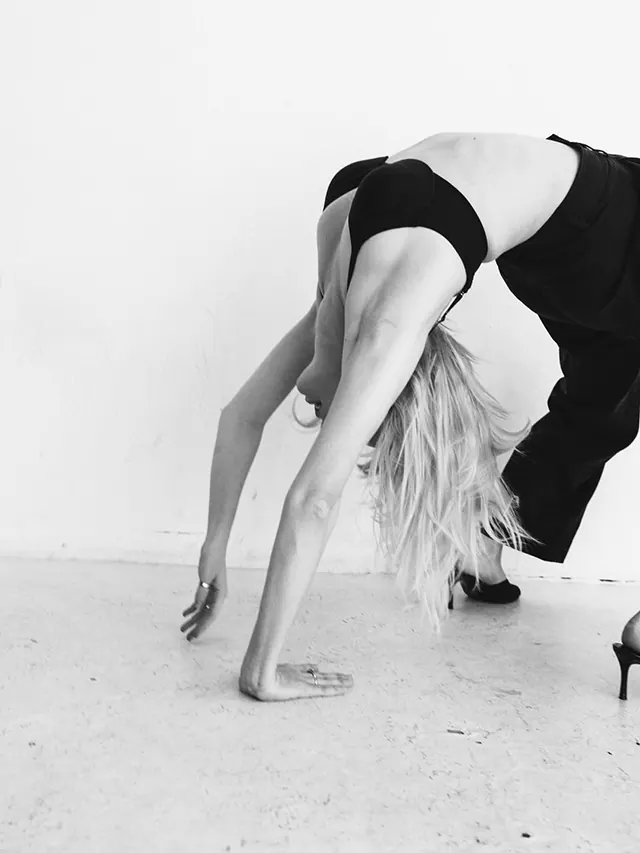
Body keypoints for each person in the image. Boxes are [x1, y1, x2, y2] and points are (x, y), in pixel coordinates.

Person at [180, 131, 640, 703]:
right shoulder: (357, 299)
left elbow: (312, 494)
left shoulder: (363, 299)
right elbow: (242, 416)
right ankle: (486, 543)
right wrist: (214, 549)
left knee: (605, 400)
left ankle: (485, 546)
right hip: (573, 235)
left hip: (581, 225)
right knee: (604, 396)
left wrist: (260, 669)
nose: (333, 421)